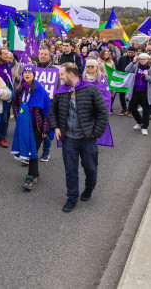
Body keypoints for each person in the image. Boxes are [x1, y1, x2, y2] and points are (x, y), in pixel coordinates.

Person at [50, 62, 109, 213]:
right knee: (70, 170)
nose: (60, 77)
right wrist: (56, 127)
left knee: (90, 167)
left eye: (62, 74)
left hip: (88, 138)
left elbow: (103, 112)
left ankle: (89, 188)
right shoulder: (61, 91)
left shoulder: (90, 89)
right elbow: (53, 111)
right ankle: (72, 198)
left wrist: (96, 132)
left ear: (70, 74)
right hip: (68, 138)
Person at [11, 65, 51, 190]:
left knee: (33, 151)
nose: (27, 74)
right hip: (24, 126)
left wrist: (45, 129)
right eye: (25, 72)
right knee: (30, 150)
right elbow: (15, 104)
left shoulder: (40, 90)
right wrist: (18, 116)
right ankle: (35, 174)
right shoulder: (19, 89)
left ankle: (30, 176)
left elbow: (46, 111)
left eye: (30, 72)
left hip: (37, 127)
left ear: (34, 74)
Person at [125, 53, 151, 136]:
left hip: (146, 92)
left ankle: (144, 127)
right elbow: (127, 70)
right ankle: (140, 122)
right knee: (132, 108)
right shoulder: (136, 66)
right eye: (140, 59)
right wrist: (133, 61)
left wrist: (147, 76)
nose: (142, 61)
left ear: (148, 59)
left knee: (146, 110)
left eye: (144, 59)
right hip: (136, 91)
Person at [0, 48, 13, 148]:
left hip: (4, 95)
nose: (7, 56)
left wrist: (10, 95)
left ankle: (2, 137)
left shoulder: (8, 65)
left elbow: (10, 82)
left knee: (3, 118)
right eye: (5, 54)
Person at [116, 46, 136, 116]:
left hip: (132, 80)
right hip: (123, 79)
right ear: (126, 52)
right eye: (129, 52)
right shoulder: (122, 59)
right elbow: (118, 68)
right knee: (121, 95)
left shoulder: (136, 60)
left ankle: (130, 110)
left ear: (134, 53)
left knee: (131, 95)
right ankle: (124, 109)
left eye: (132, 53)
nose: (130, 54)